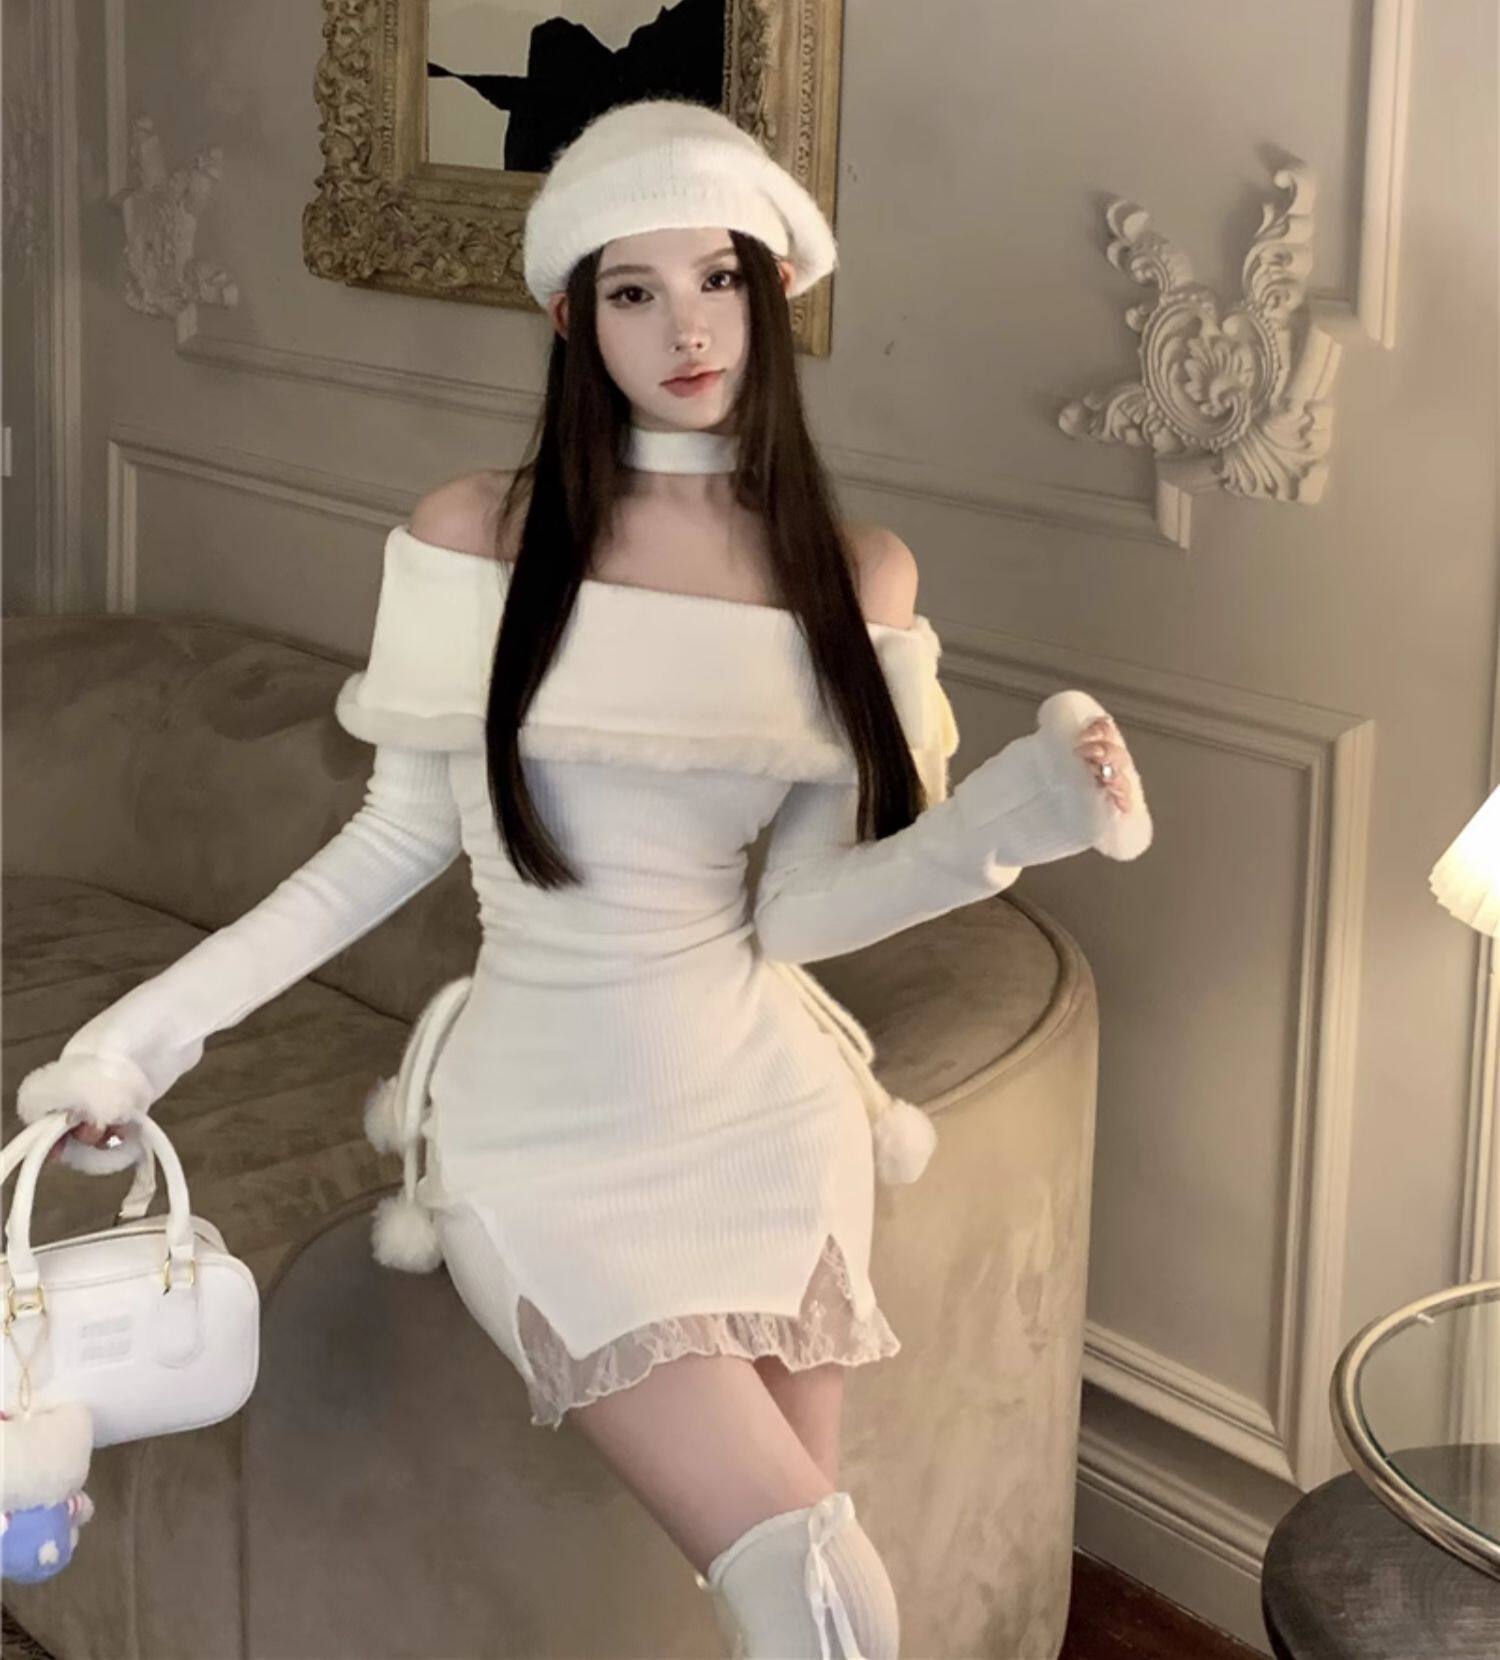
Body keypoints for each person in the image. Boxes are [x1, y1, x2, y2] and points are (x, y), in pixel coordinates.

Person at [17, 97, 1152, 1659]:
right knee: (806, 1579)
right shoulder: (476, 537)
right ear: (573, 316)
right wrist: (140, 1041)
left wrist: (1020, 813)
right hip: (543, 1124)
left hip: (769, 1111)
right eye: (635, 290)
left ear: (772, 290)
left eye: (720, 278)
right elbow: (386, 844)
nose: (687, 328)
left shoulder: (857, 571)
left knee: (801, 1598)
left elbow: (805, 911)